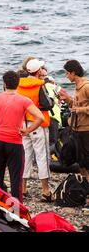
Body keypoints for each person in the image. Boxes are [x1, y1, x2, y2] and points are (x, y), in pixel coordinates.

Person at [0, 70, 44, 202]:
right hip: (15, 143)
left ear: (4, 83)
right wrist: (27, 130)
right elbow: (40, 117)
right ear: (18, 84)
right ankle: (16, 211)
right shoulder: (23, 100)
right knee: (16, 180)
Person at [17, 58, 53, 202]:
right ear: (39, 71)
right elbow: (48, 104)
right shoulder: (40, 85)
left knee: (25, 156)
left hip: (23, 125)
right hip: (38, 124)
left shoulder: (19, 85)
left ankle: (23, 188)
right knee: (42, 156)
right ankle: (45, 191)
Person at [59, 60, 89, 192]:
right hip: (77, 129)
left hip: (86, 130)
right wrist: (67, 99)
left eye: (67, 73)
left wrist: (80, 110)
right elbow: (76, 106)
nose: (66, 76)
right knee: (81, 162)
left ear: (73, 72)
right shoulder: (77, 87)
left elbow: (80, 109)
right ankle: (86, 188)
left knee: (87, 162)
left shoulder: (86, 87)